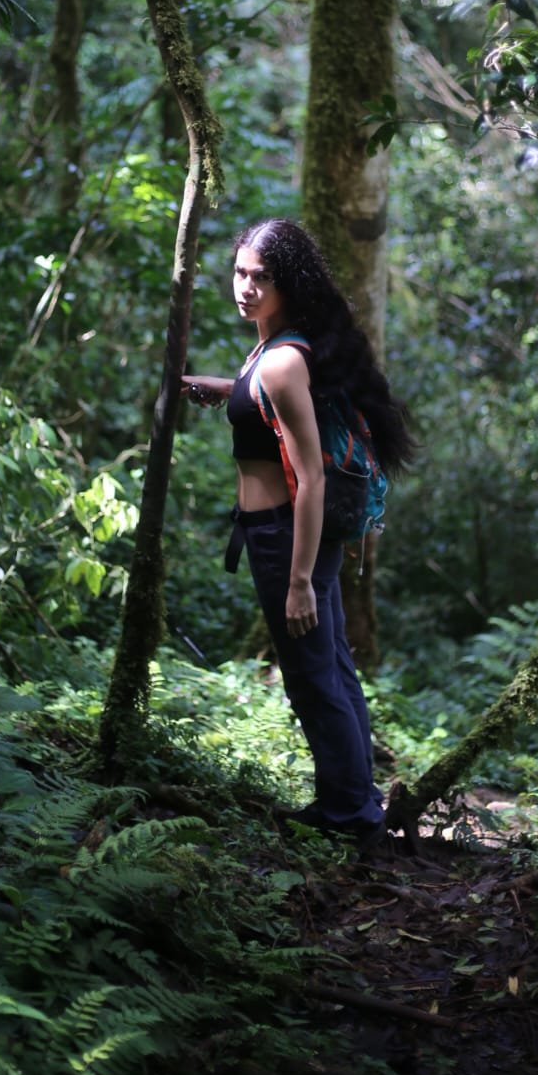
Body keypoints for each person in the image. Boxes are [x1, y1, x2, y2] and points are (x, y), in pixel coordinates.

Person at [182, 217, 414, 849]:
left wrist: (300, 582)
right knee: (331, 666)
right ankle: (354, 801)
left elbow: (309, 476)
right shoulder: (278, 350)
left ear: (290, 284)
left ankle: (351, 819)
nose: (246, 287)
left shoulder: (282, 360)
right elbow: (276, 412)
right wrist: (226, 390)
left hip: (287, 535)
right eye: (240, 273)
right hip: (286, 532)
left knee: (312, 674)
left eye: (262, 277)